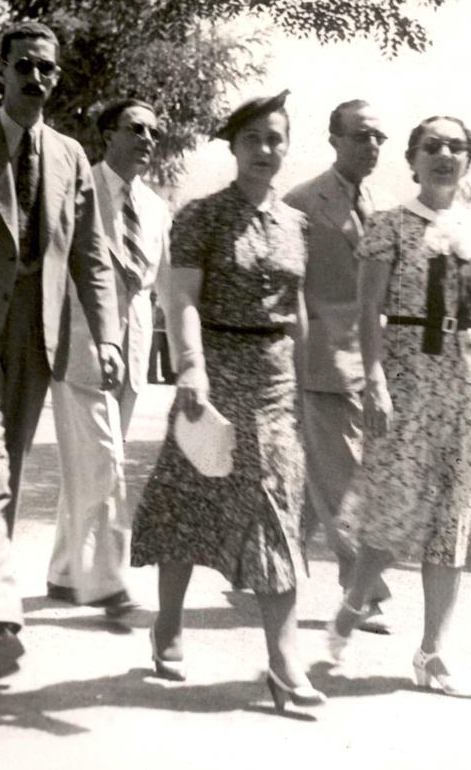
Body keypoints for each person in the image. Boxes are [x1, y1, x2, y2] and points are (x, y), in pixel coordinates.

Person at [0, 21, 123, 677]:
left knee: (0, 470)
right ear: (1, 72)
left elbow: (91, 254)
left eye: (47, 69)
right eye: (24, 67)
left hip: (38, 338)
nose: (36, 78)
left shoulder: (70, 156)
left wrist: (108, 335)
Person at [131, 91, 322, 711]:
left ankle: (284, 662)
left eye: (275, 138)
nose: (265, 150)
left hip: (275, 384)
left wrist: (304, 384)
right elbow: (181, 298)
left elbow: (297, 311)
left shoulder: (297, 224)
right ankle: (167, 625)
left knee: (276, 512)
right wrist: (191, 368)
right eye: (253, 139)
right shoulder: (202, 217)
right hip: (213, 378)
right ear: (234, 147)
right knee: (188, 504)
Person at [326, 115, 471, 696]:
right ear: (413, 159)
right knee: (396, 503)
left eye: (456, 146)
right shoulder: (389, 225)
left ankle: (432, 652)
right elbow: (367, 311)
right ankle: (357, 596)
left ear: (468, 159)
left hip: (468, 378)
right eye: (433, 146)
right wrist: (374, 379)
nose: (444, 155)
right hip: (407, 374)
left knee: (453, 514)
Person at [45, 98, 171, 616]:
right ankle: (108, 578)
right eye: (136, 129)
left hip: (135, 345)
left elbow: (164, 285)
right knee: (105, 459)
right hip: (81, 341)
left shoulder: (157, 207)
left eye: (154, 133)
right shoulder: (79, 189)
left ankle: (63, 572)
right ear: (107, 134)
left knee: (90, 463)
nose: (147, 140)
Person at [283, 99, 392, 634]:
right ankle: (362, 589)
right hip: (321, 359)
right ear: (334, 139)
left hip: (372, 362)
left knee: (322, 475)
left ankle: (266, 558)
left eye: (379, 138)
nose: (371, 146)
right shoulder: (302, 202)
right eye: (361, 135)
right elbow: (286, 287)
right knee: (344, 476)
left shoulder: (381, 206)